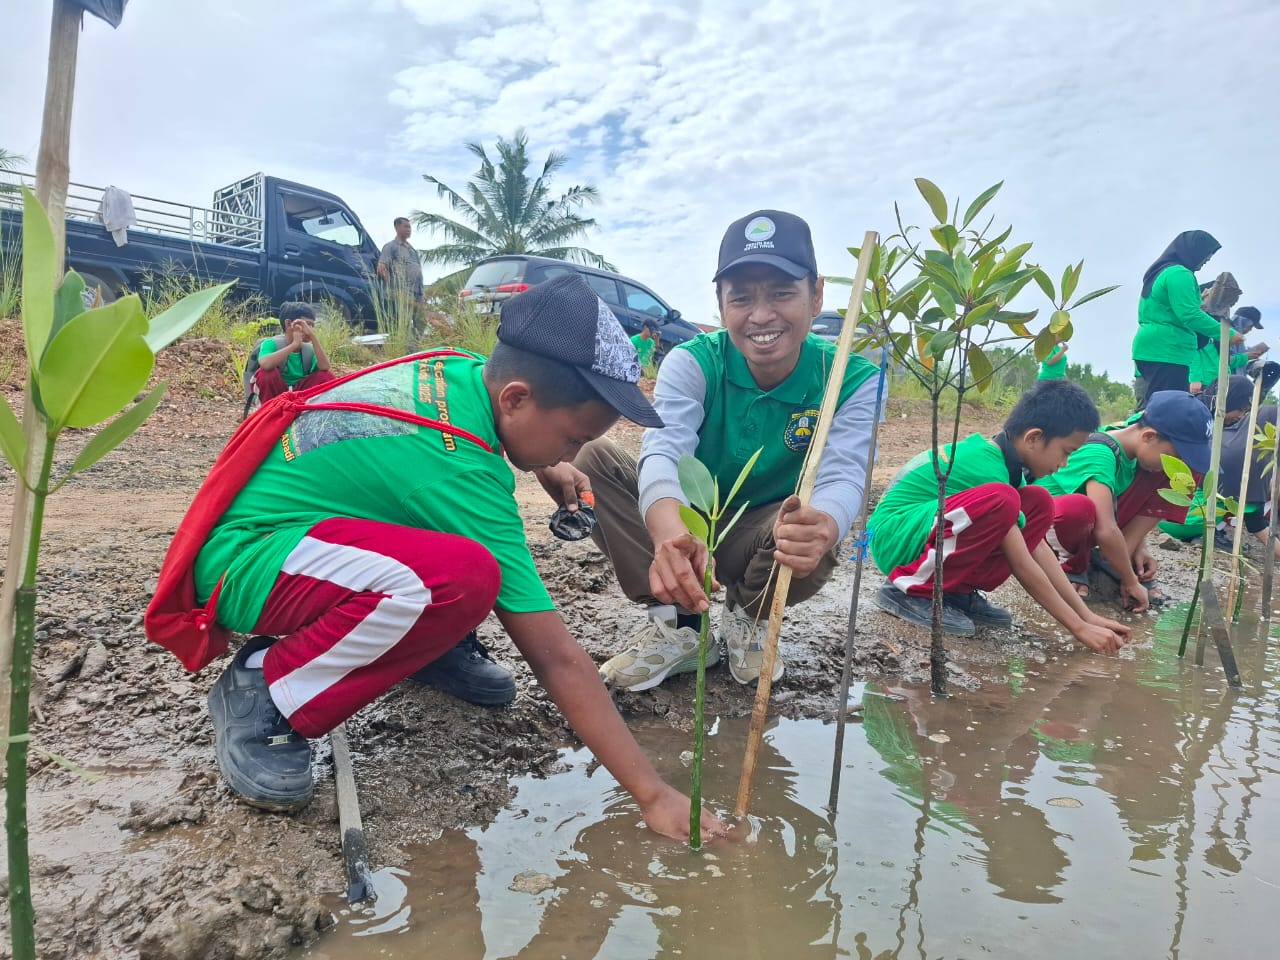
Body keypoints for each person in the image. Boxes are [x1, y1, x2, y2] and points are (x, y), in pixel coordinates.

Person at [154, 273, 728, 840]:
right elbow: (556, 657)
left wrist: (547, 461)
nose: (573, 453)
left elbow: (420, 458)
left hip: (301, 538)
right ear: (516, 398)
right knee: (461, 576)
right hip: (247, 561)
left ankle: (427, 649)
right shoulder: (462, 469)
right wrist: (653, 794)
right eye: (573, 439)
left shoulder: (457, 370)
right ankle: (267, 690)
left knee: (453, 563)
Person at [576, 209, 880, 690]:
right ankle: (680, 627)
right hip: (691, 522)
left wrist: (826, 524)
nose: (761, 316)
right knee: (591, 459)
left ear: (816, 294)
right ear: (720, 306)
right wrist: (670, 540)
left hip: (758, 534)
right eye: (741, 298)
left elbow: (846, 475)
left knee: (812, 525)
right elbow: (662, 451)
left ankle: (747, 619)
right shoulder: (694, 361)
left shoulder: (852, 379)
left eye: (782, 293)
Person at [870, 379, 1130, 653]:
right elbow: (1021, 560)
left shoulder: (1007, 466)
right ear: (1033, 438)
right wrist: (1077, 628)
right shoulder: (989, 469)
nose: (1064, 464)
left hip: (916, 531)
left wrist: (1087, 616)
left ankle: (954, 592)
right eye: (1066, 452)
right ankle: (910, 591)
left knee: (1038, 502)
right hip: (894, 538)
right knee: (1003, 500)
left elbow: (1038, 548)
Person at [1037, 390, 1213, 609]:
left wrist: (1139, 546)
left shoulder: (1139, 436)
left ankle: (1114, 558)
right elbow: (1105, 528)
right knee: (1077, 509)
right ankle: (1072, 566)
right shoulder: (1100, 452)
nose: (1175, 464)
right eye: (1175, 455)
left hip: (1093, 529)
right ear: (1148, 437)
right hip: (1052, 528)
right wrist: (1130, 581)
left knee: (1186, 472)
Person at [1130, 229, 1222, 407]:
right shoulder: (1179, 274)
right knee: (1167, 410)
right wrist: (1225, 333)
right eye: (1205, 257)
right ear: (1193, 251)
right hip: (1167, 350)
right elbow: (1189, 314)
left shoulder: (1162, 272)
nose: (1205, 262)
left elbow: (1175, 309)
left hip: (1154, 348)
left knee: (1153, 407)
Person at [250, 302, 335, 405]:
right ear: (289, 324)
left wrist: (313, 337)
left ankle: (312, 412)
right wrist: (294, 345)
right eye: (306, 324)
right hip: (275, 392)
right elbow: (265, 364)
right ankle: (268, 412)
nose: (310, 329)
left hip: (300, 392)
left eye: (312, 325)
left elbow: (325, 367)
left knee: (326, 376)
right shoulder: (271, 344)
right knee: (266, 374)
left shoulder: (310, 350)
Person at [376, 216, 424, 303]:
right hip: (402, 294)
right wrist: (394, 287)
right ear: (397, 227)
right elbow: (381, 268)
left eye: (409, 227)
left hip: (418, 293)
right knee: (403, 316)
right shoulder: (391, 247)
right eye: (406, 226)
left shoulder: (412, 250)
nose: (409, 229)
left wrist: (422, 293)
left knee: (418, 316)